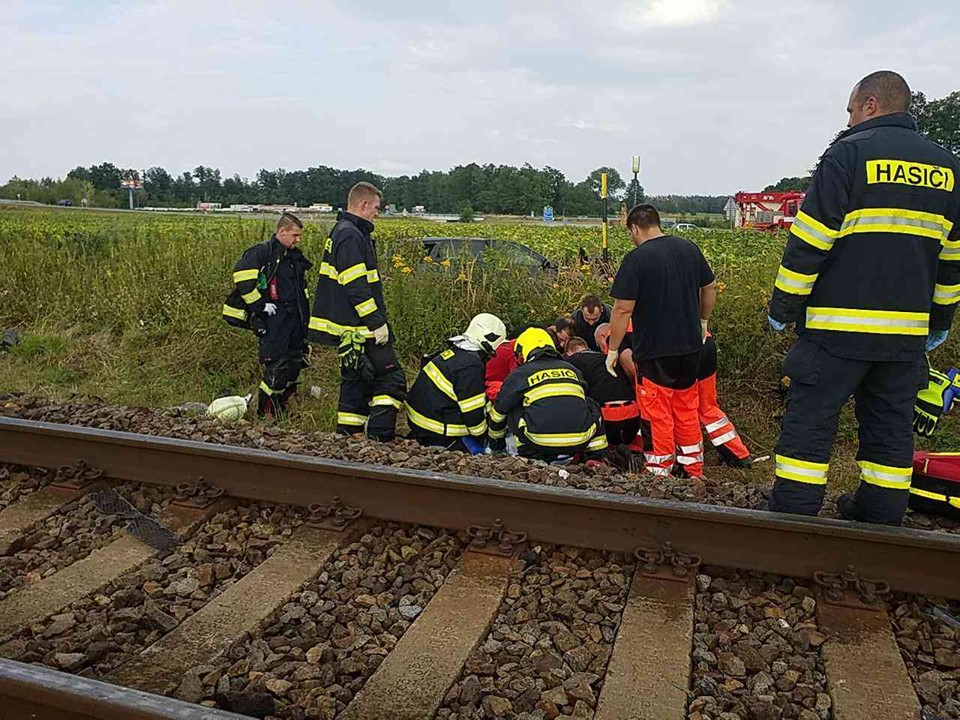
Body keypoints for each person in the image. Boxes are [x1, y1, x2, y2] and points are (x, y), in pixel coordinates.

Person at [767, 71, 960, 524]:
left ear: (870, 105)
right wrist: (940, 322)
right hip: (905, 339)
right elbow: (952, 258)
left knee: (810, 423)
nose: (849, 118)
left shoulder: (848, 155)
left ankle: (793, 518)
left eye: (851, 109)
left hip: (836, 332)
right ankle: (880, 517)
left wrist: (783, 308)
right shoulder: (948, 168)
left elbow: (810, 241)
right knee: (891, 429)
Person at [606, 204, 717, 478]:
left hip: (655, 352)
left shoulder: (637, 259)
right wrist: (703, 321)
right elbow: (710, 287)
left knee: (656, 414)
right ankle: (693, 470)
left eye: (630, 232)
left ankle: (659, 472)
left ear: (634, 227)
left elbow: (622, 309)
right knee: (686, 409)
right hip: (691, 349)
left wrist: (613, 349)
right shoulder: (689, 248)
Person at [308, 182, 406, 441]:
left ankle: (349, 436)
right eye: (376, 207)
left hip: (349, 327)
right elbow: (356, 286)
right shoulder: (351, 234)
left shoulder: (344, 230)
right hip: (359, 327)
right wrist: (376, 323)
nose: (377, 213)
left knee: (356, 381)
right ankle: (379, 437)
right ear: (363, 205)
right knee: (391, 378)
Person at [224, 212, 312, 419]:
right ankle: (266, 413)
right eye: (295, 235)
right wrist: (260, 306)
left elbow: (301, 291)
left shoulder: (293, 257)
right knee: (277, 367)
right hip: (274, 320)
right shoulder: (262, 252)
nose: (298, 240)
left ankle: (282, 408)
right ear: (282, 232)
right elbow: (243, 279)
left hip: (294, 320)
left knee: (294, 365)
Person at [488, 328, 608, 463]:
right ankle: (596, 457)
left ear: (523, 353)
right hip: (579, 441)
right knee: (591, 404)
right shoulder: (572, 369)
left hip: (537, 443)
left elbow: (499, 412)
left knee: (512, 404)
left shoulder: (519, 374)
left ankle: (527, 456)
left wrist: (495, 445)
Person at [406, 313, 507, 452]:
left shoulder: (455, 353)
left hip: (418, 422)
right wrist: (486, 439)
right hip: (437, 432)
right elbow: (473, 414)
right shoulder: (470, 366)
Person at [564, 336, 641, 451]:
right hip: (633, 416)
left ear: (569, 352)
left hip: (607, 419)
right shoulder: (608, 358)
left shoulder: (572, 362)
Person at [698, 334, 753, 467]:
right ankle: (739, 454)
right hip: (703, 340)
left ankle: (688, 465)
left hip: (676, 347)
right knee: (706, 406)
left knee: (681, 407)